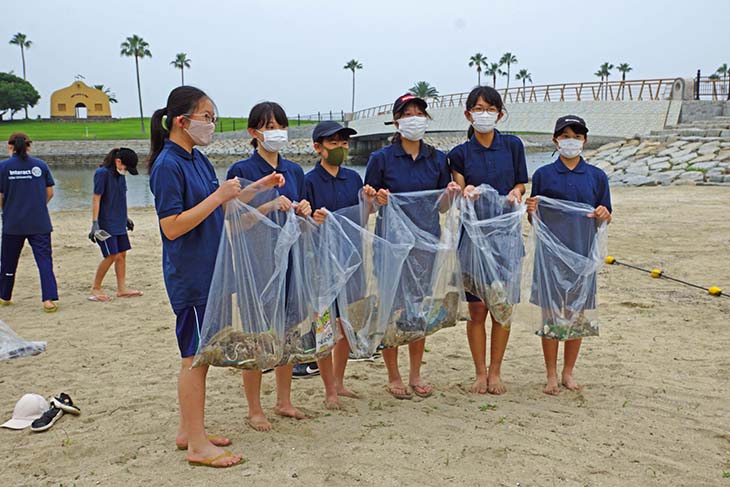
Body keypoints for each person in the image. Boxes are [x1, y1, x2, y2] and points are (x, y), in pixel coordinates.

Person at [149, 86, 281, 467]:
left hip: (211, 269)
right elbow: (172, 227)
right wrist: (219, 197)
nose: (211, 124)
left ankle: (188, 431)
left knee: (201, 353)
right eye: (207, 117)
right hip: (190, 274)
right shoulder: (168, 165)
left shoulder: (197, 160)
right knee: (194, 357)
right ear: (181, 121)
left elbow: (224, 209)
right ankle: (197, 447)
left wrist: (259, 187)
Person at [364, 94, 460, 400]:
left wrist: (452, 193)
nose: (415, 118)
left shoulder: (436, 158)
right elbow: (370, 205)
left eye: (420, 113)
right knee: (392, 307)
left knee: (418, 309)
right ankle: (393, 376)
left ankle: (416, 373)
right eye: (408, 114)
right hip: (391, 245)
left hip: (426, 244)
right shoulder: (381, 159)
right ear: (396, 121)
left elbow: (442, 206)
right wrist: (376, 199)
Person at [227, 101, 313, 431]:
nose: (276, 131)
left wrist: (304, 208)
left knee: (288, 331)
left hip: (290, 258)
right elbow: (232, 222)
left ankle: (284, 400)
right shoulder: (241, 171)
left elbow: (300, 216)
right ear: (254, 132)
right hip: (256, 263)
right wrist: (268, 205)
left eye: (280, 125)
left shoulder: (294, 171)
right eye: (268, 125)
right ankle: (254, 408)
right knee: (256, 335)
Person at [448, 86, 528, 395]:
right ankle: (479, 373)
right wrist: (465, 190)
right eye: (478, 109)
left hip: (506, 237)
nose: (485, 114)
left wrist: (516, 193)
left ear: (500, 114)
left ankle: (496, 372)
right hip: (473, 239)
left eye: (490, 109)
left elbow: (521, 183)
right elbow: (458, 188)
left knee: (502, 308)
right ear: (468, 114)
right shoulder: (459, 154)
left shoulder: (512, 146)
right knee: (478, 309)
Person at [526, 115, 612, 396]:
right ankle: (550, 373)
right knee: (550, 314)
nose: (570, 141)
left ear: (584, 140)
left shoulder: (597, 176)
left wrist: (603, 214)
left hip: (583, 255)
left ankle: (568, 372)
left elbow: (605, 215)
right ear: (555, 141)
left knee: (577, 314)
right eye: (564, 136)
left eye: (576, 136)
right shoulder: (542, 175)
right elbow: (534, 219)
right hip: (549, 257)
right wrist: (531, 211)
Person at [295, 120, 376, 408]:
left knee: (346, 324)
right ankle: (328, 389)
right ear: (318, 147)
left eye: (344, 143)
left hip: (351, 261)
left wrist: (369, 203)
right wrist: (310, 220)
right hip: (322, 265)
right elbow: (302, 224)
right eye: (333, 143)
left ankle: (340, 382)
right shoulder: (308, 181)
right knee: (325, 327)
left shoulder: (354, 179)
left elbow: (360, 221)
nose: (340, 147)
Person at [0, 133, 59, 313]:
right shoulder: (40, 165)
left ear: (10, 147)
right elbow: (50, 193)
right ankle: (48, 300)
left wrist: (8, 208)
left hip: (13, 222)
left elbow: (0, 196)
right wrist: (38, 206)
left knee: (8, 262)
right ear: (29, 146)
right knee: (44, 261)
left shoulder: (3, 167)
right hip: (39, 221)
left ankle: (5, 296)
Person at [88, 148, 142, 302]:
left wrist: (125, 218)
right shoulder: (102, 174)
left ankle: (122, 288)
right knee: (110, 255)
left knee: (122, 254)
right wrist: (95, 224)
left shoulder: (120, 176)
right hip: (105, 224)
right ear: (118, 162)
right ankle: (96, 288)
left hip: (119, 222)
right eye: (126, 167)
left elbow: (120, 197)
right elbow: (96, 198)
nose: (126, 171)